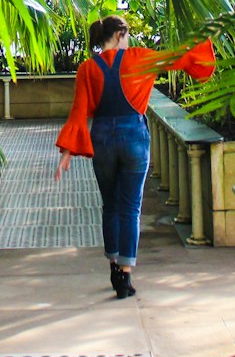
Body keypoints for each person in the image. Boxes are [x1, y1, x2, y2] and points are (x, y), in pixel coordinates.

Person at [54, 15, 215, 298]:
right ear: (118, 35)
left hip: (102, 139)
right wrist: (206, 33)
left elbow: (78, 112)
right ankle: (125, 276)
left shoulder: (87, 69)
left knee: (110, 206)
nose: (128, 42)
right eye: (126, 36)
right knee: (130, 209)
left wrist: (67, 152)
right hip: (134, 139)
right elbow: (180, 56)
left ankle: (114, 263)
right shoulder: (140, 58)